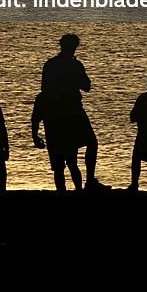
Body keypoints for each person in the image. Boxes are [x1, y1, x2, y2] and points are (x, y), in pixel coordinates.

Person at [40, 34, 110, 191]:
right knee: (90, 144)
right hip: (72, 111)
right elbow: (86, 86)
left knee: (63, 156)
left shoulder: (51, 64)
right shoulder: (74, 65)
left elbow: (44, 89)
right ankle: (89, 180)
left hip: (57, 114)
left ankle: (84, 182)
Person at [31, 91, 82, 192]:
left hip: (54, 136)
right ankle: (78, 190)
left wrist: (35, 136)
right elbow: (78, 113)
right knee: (71, 165)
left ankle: (65, 190)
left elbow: (35, 119)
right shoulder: (67, 93)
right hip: (68, 134)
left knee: (60, 167)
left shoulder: (43, 97)